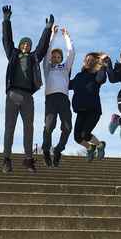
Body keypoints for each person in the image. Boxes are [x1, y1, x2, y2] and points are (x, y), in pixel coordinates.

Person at [1, 5, 54, 174]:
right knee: (9, 127)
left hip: (27, 97)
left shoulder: (33, 58)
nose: (26, 46)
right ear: (20, 45)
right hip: (12, 94)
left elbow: (42, 47)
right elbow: (7, 40)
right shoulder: (13, 55)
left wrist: (47, 29)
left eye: (28, 44)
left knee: (28, 127)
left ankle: (28, 159)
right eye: (23, 43)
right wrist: (6, 21)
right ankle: (6, 159)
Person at [41, 26, 75, 167]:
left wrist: (67, 37)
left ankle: (58, 149)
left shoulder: (65, 68)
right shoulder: (47, 68)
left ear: (61, 59)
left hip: (63, 99)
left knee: (67, 127)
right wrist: (53, 35)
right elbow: (47, 51)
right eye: (53, 57)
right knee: (49, 126)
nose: (55, 58)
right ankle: (45, 150)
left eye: (58, 57)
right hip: (51, 99)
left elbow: (71, 52)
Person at [69, 52, 109, 161]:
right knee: (77, 137)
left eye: (91, 60)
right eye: (86, 59)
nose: (88, 61)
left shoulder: (96, 74)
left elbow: (101, 79)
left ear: (95, 62)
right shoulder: (78, 76)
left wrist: (103, 65)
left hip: (93, 110)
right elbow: (67, 85)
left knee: (85, 134)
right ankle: (90, 147)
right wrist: (66, 70)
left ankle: (100, 145)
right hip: (81, 111)